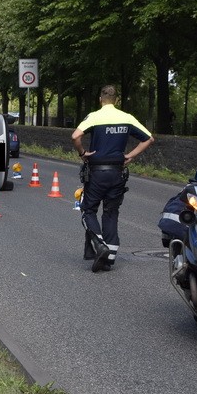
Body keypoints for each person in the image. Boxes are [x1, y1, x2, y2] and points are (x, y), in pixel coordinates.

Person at [71, 85, 155, 272]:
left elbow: (75, 136)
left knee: (88, 210)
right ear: (116, 101)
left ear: (100, 100)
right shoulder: (127, 118)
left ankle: (99, 245)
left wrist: (83, 152)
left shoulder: (94, 116)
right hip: (117, 173)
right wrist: (131, 155)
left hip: (97, 173)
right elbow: (149, 138)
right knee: (111, 212)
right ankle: (109, 258)